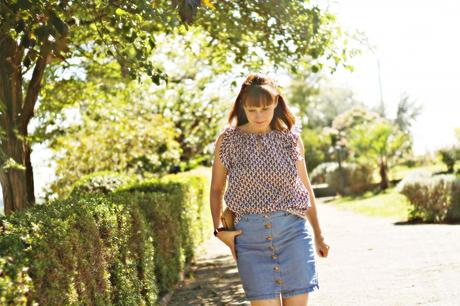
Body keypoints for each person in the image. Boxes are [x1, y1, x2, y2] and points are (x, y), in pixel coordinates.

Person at [210, 72, 330, 306]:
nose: (259, 116)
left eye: (265, 109)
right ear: (243, 105)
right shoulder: (228, 140)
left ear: (276, 103)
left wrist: (319, 235)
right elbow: (216, 189)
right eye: (252, 109)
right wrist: (219, 231)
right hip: (249, 239)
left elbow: (305, 188)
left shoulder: (290, 139)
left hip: (292, 233)